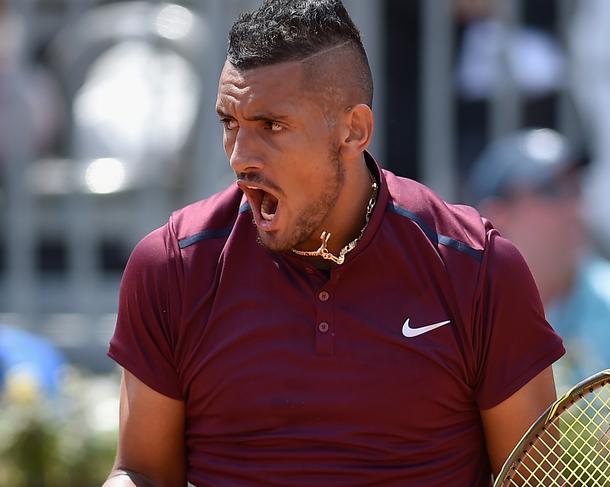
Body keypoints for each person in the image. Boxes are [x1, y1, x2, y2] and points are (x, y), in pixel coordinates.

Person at [104, 1, 564, 485]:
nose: (240, 158)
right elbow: (141, 471)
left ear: (354, 130)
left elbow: (536, 479)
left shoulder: (478, 269)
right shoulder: (172, 264)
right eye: (230, 124)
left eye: (272, 126)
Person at [467, 127, 610, 390]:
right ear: (498, 215)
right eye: (551, 190)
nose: (573, 205)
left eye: (575, 188)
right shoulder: (463, 322)